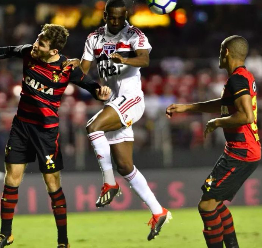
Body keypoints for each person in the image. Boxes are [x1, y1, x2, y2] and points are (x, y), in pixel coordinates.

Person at [0, 24, 111, 248]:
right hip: (21, 126)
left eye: (41, 43)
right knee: (11, 178)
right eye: (38, 38)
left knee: (52, 183)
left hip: (46, 132)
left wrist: (102, 92)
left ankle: (63, 241)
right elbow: (7, 50)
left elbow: (92, 87)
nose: (36, 44)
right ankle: (5, 235)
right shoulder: (28, 52)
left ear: (54, 51)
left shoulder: (67, 68)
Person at [64, 0, 171, 240]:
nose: (115, 22)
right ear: (104, 15)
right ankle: (159, 211)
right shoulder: (93, 39)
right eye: (111, 17)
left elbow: (144, 59)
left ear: (125, 16)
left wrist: (124, 60)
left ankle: (109, 184)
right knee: (125, 165)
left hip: (131, 99)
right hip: (112, 102)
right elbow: (84, 71)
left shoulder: (134, 34)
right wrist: (74, 69)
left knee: (93, 126)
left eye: (120, 18)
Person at [166, 35, 261, 248]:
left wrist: (217, 122)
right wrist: (187, 107)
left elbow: (247, 116)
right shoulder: (242, 77)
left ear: (226, 52)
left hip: (241, 151)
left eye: (220, 50)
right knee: (213, 202)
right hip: (238, 150)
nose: (218, 54)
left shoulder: (237, 79)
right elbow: (225, 104)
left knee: (207, 205)